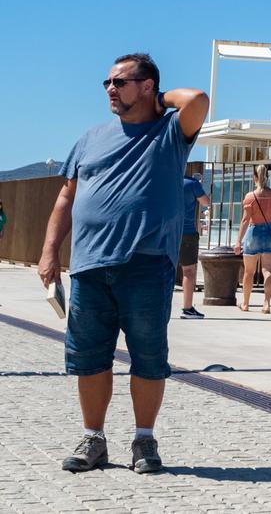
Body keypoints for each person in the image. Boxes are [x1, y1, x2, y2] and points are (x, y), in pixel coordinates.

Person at [40, 52, 209, 474]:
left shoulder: (170, 132)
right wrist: (49, 251)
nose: (110, 89)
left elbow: (198, 99)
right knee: (88, 357)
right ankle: (93, 439)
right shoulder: (91, 137)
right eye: (108, 83)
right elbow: (66, 197)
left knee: (148, 357)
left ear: (147, 86)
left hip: (146, 264)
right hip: (89, 265)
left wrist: (159, 101)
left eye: (120, 82)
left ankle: (144, 440)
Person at [235, 164, 271, 314]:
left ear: (254, 177)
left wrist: (238, 241)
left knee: (249, 272)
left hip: (253, 232)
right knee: (267, 270)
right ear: (267, 176)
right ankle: (266, 304)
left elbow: (245, 220)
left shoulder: (250, 197)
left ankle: (245, 303)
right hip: (270, 232)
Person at [177, 163, 211, 319]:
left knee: (161, 270)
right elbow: (206, 202)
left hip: (165, 232)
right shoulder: (191, 183)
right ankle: (187, 308)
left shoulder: (164, 181)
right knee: (188, 271)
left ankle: (157, 307)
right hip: (187, 232)